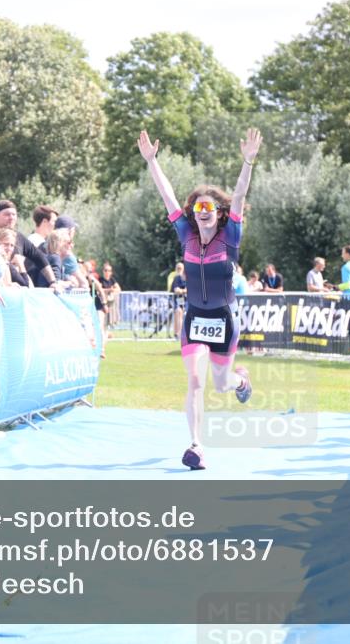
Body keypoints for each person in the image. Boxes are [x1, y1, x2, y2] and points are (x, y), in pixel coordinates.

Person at [138, 127, 261, 470]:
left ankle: (241, 381)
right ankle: (196, 446)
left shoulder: (230, 238)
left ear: (219, 213)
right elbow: (168, 196)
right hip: (194, 319)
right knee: (194, 381)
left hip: (223, 320)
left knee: (221, 385)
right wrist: (152, 162)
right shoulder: (185, 235)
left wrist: (248, 161)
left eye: (209, 206)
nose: (202, 211)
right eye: (197, 207)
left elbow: (238, 196)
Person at [0, 200, 61, 289]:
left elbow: (39, 258)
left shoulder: (19, 237)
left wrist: (53, 282)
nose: (11, 218)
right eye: (7, 214)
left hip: (18, 290)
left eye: (14, 214)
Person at [100, 262, 122, 331]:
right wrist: (109, 289)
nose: (107, 272)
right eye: (106, 270)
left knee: (107, 325)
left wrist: (111, 290)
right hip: (102, 304)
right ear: (103, 271)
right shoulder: (100, 280)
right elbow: (100, 290)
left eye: (109, 271)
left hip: (110, 304)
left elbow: (118, 289)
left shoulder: (112, 280)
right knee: (102, 323)